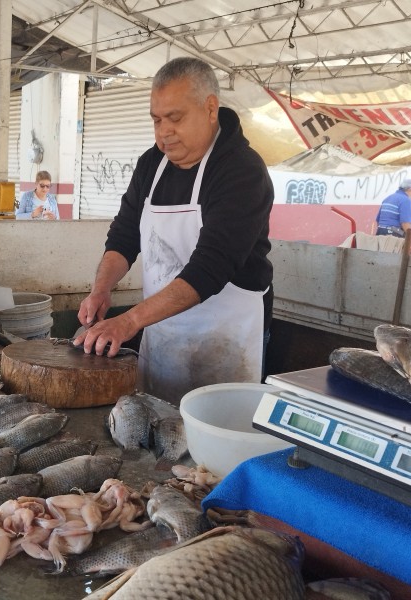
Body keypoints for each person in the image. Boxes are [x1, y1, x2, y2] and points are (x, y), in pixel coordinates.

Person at [75, 57, 274, 404]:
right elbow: (124, 236)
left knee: (212, 446)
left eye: (175, 118)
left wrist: (128, 321)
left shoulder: (242, 171)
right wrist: (102, 289)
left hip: (225, 340)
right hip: (162, 330)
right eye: (156, 120)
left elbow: (210, 267)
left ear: (210, 108)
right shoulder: (151, 165)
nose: (163, 131)